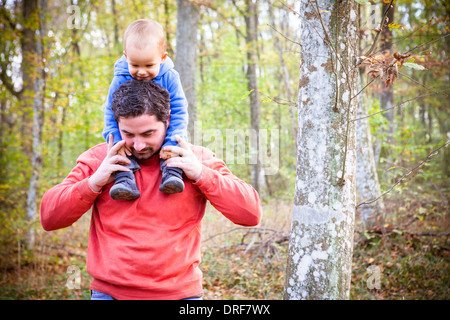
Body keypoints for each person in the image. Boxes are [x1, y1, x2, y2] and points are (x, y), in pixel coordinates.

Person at [40, 79, 262, 300]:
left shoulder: (194, 158)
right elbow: (50, 218)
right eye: (128, 134)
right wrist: (94, 182)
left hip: (182, 296)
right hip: (109, 295)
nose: (138, 145)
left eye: (148, 134)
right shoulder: (101, 158)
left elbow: (250, 214)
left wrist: (201, 174)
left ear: (167, 121)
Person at [103, 19, 188, 200]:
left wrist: (172, 141)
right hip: (127, 140)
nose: (141, 72)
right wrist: (117, 142)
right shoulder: (119, 78)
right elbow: (110, 112)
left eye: (149, 66)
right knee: (121, 157)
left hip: (164, 136)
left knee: (173, 153)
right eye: (135, 65)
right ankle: (124, 180)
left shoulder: (170, 77)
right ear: (126, 57)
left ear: (162, 58)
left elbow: (180, 110)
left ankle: (172, 173)